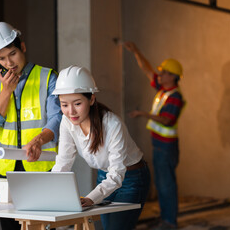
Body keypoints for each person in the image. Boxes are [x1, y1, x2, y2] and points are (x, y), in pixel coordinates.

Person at [0, 22, 62, 229]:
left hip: (40, 166)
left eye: (13, 53)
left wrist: (38, 141)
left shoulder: (48, 78)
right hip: (4, 169)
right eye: (1, 58)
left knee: (41, 225)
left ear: (23, 47)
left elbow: (57, 119)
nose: (9, 62)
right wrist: (6, 91)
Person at [51, 65, 151, 230]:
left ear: (91, 99)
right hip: (105, 176)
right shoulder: (66, 121)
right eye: (64, 105)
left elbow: (117, 174)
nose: (71, 112)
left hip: (131, 178)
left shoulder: (112, 124)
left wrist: (91, 198)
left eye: (77, 103)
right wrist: (49, 191)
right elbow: (63, 162)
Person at [124, 41, 185, 230]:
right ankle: (165, 218)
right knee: (161, 183)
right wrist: (137, 51)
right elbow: (148, 70)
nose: (160, 74)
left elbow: (167, 120)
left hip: (166, 148)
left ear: (173, 77)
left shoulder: (175, 96)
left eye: (165, 72)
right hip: (159, 145)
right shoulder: (163, 91)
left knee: (166, 185)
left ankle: (170, 222)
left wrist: (143, 114)